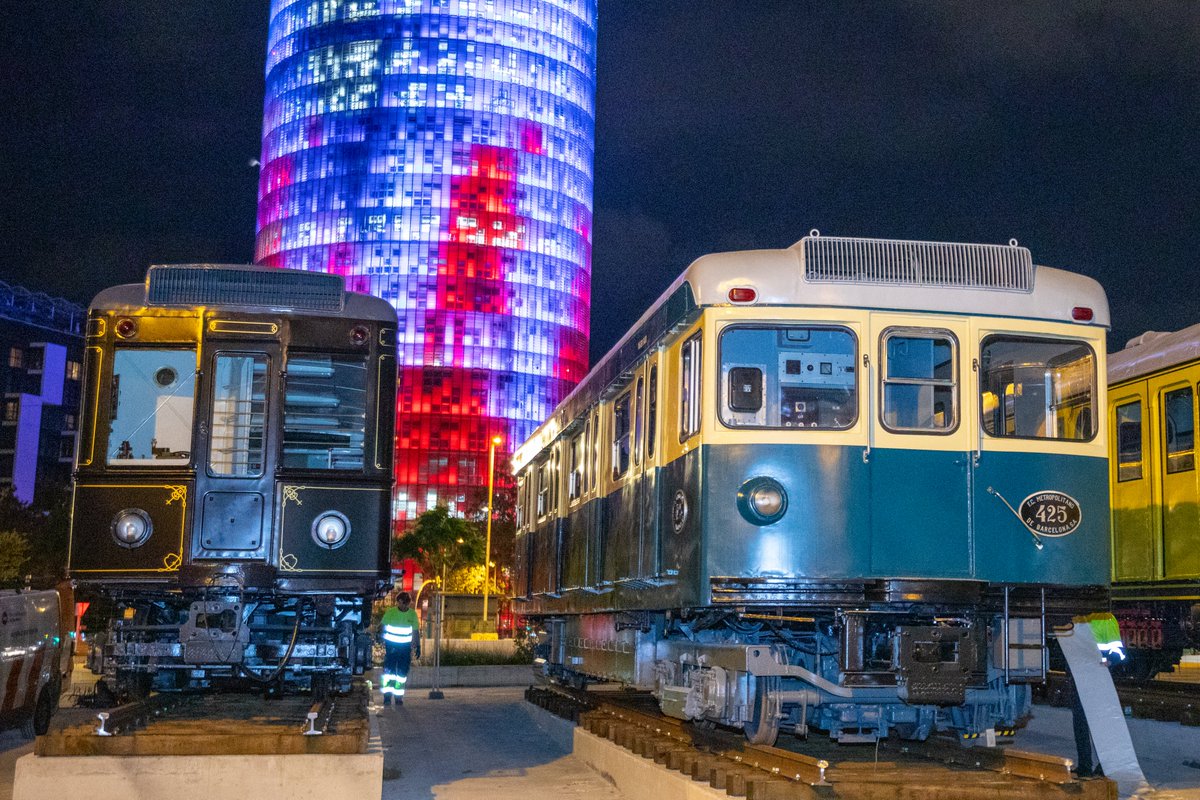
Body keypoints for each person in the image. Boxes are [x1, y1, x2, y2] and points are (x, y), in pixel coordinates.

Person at [379, 591, 420, 706]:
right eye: (402, 603)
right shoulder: (391, 612)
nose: (404, 606)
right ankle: (387, 697)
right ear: (399, 602)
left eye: (406, 604)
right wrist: (380, 637)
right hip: (391, 646)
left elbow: (415, 631)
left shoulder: (412, 614)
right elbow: (382, 626)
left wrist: (418, 645)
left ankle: (398, 697)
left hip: (405, 648)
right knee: (388, 672)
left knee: (402, 674)